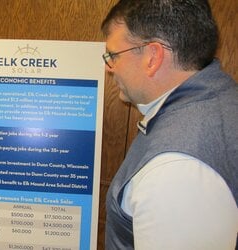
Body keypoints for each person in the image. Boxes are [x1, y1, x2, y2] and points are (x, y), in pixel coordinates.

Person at [101, 0, 237, 249]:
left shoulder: (175, 169)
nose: (109, 68)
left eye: (113, 55)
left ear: (152, 56)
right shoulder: (219, 99)